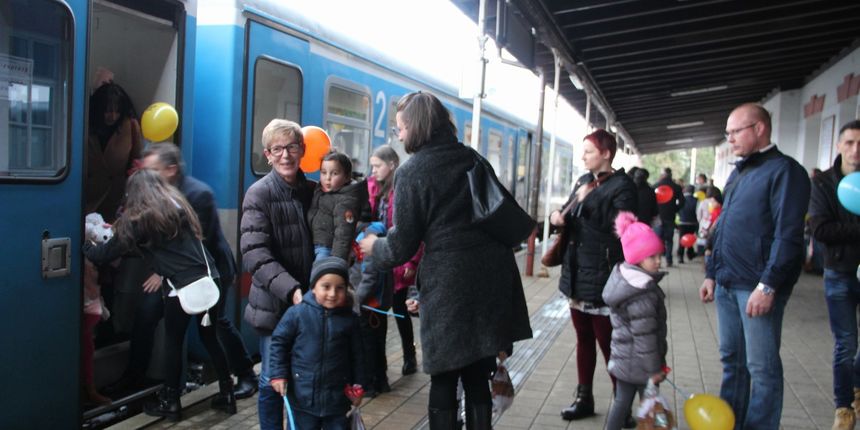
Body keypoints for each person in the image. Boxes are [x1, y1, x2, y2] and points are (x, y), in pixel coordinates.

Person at [359, 91, 532, 430]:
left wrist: (373, 246)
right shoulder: (472, 158)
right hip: (492, 275)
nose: (400, 136)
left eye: (400, 129)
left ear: (416, 127)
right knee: (476, 373)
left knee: (444, 375)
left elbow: (401, 246)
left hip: (451, 283)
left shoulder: (413, 173)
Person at [82, 169, 236, 421]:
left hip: (182, 288)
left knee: (174, 342)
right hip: (210, 279)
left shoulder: (137, 220)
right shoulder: (178, 207)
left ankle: (171, 402)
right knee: (210, 339)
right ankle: (227, 394)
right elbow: (161, 248)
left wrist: (83, 241)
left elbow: (102, 255)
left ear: (134, 193)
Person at [699, 103, 810, 430]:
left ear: (760, 129)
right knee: (732, 363)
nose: (730, 139)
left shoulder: (786, 172)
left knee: (762, 369)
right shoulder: (739, 172)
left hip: (756, 287)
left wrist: (768, 285)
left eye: (736, 131)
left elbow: (789, 237)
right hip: (727, 283)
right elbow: (722, 227)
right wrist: (711, 273)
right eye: (727, 133)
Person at [141, 143, 258, 400]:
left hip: (210, 271)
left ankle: (246, 374)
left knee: (218, 327)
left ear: (171, 170)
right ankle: (146, 378)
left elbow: (195, 243)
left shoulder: (197, 194)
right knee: (150, 314)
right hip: (179, 277)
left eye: (154, 170)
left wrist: (161, 272)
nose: (147, 177)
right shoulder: (160, 194)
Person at [549, 129, 637, 426]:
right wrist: (557, 217)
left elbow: (621, 229)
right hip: (576, 274)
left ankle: (622, 407)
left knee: (610, 344)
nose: (583, 156)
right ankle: (583, 398)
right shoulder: (584, 181)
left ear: (606, 153)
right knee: (583, 339)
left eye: (588, 151)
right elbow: (568, 212)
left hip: (604, 277)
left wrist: (589, 202)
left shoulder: (623, 186)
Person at [241, 119, 316, 430]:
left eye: (292, 147)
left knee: (306, 381)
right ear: (267, 155)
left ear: (302, 151)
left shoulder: (315, 191)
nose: (286, 155)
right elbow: (255, 255)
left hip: (311, 304)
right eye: (278, 149)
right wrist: (293, 290)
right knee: (273, 380)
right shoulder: (258, 194)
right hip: (275, 307)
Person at [269, 257, 366, 429]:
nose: (332, 294)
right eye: (326, 287)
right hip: (302, 398)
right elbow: (279, 343)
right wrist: (278, 374)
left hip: (337, 399)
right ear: (313, 287)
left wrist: (359, 384)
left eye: (340, 288)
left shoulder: (350, 320)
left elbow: (360, 355)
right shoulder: (297, 314)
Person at [808, 120, 860, 430]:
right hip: (839, 272)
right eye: (850, 142)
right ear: (839, 145)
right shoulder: (824, 183)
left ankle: (856, 384)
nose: (856, 149)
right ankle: (844, 407)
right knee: (846, 343)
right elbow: (821, 229)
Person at [363, 145, 424, 385]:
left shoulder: (401, 189)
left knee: (400, 310)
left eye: (378, 165)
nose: (374, 170)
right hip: (376, 258)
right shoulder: (371, 188)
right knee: (378, 311)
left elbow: (412, 230)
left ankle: (410, 355)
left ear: (391, 165)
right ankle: (381, 367)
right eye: (372, 166)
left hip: (399, 260)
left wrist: (411, 260)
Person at [603, 212, 668, 430]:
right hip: (641, 364)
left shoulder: (625, 279)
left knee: (622, 402)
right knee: (650, 405)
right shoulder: (642, 294)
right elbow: (645, 337)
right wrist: (654, 369)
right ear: (637, 258)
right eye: (652, 257)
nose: (658, 261)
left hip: (624, 359)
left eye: (659, 255)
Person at [85, 81, 142, 223]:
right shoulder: (85, 125)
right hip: (88, 196)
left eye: (117, 111)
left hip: (116, 198)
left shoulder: (130, 126)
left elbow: (136, 163)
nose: (113, 116)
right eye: (107, 110)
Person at [308, 152, 362, 261]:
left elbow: (344, 234)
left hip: (328, 250)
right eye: (323, 172)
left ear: (347, 177)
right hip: (315, 245)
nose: (327, 178)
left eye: (335, 173)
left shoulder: (346, 201)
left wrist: (337, 261)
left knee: (321, 277)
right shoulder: (320, 191)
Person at [652, 168, 684, 267]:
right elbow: (682, 202)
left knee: (657, 240)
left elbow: (651, 202)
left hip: (658, 217)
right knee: (669, 240)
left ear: (662, 175)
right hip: (670, 216)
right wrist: (675, 209)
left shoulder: (655, 186)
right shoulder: (676, 187)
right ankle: (669, 261)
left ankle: (657, 261)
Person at [677, 185, 698, 263]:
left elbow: (677, 210)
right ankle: (690, 254)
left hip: (682, 222)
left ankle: (680, 256)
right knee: (690, 238)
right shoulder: (696, 200)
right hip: (692, 223)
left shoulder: (681, 200)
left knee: (682, 239)